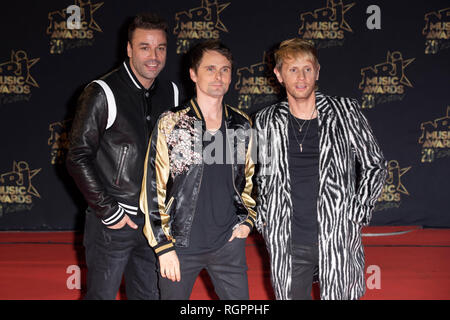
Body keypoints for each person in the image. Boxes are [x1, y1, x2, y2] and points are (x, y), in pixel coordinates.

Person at [254, 38, 387, 300]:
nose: (301, 77)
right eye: (292, 69)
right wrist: (264, 218)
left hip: (336, 236)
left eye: (307, 68)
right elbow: (260, 175)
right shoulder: (265, 120)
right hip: (287, 239)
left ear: (317, 71)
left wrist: (358, 211)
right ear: (279, 75)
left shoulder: (345, 111)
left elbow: (375, 164)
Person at [66, 13, 181, 300]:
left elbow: (179, 157)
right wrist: (108, 210)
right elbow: (77, 156)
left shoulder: (173, 93)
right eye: (144, 47)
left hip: (153, 224)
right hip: (113, 224)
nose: (153, 56)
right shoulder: (102, 91)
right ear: (128, 49)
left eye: (161, 48)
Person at [140, 40, 256, 300]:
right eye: (210, 69)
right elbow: (151, 187)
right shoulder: (172, 122)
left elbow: (249, 180)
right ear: (193, 74)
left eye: (225, 70)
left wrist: (247, 222)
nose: (219, 76)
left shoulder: (241, 124)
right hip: (180, 245)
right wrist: (163, 246)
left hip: (228, 243)